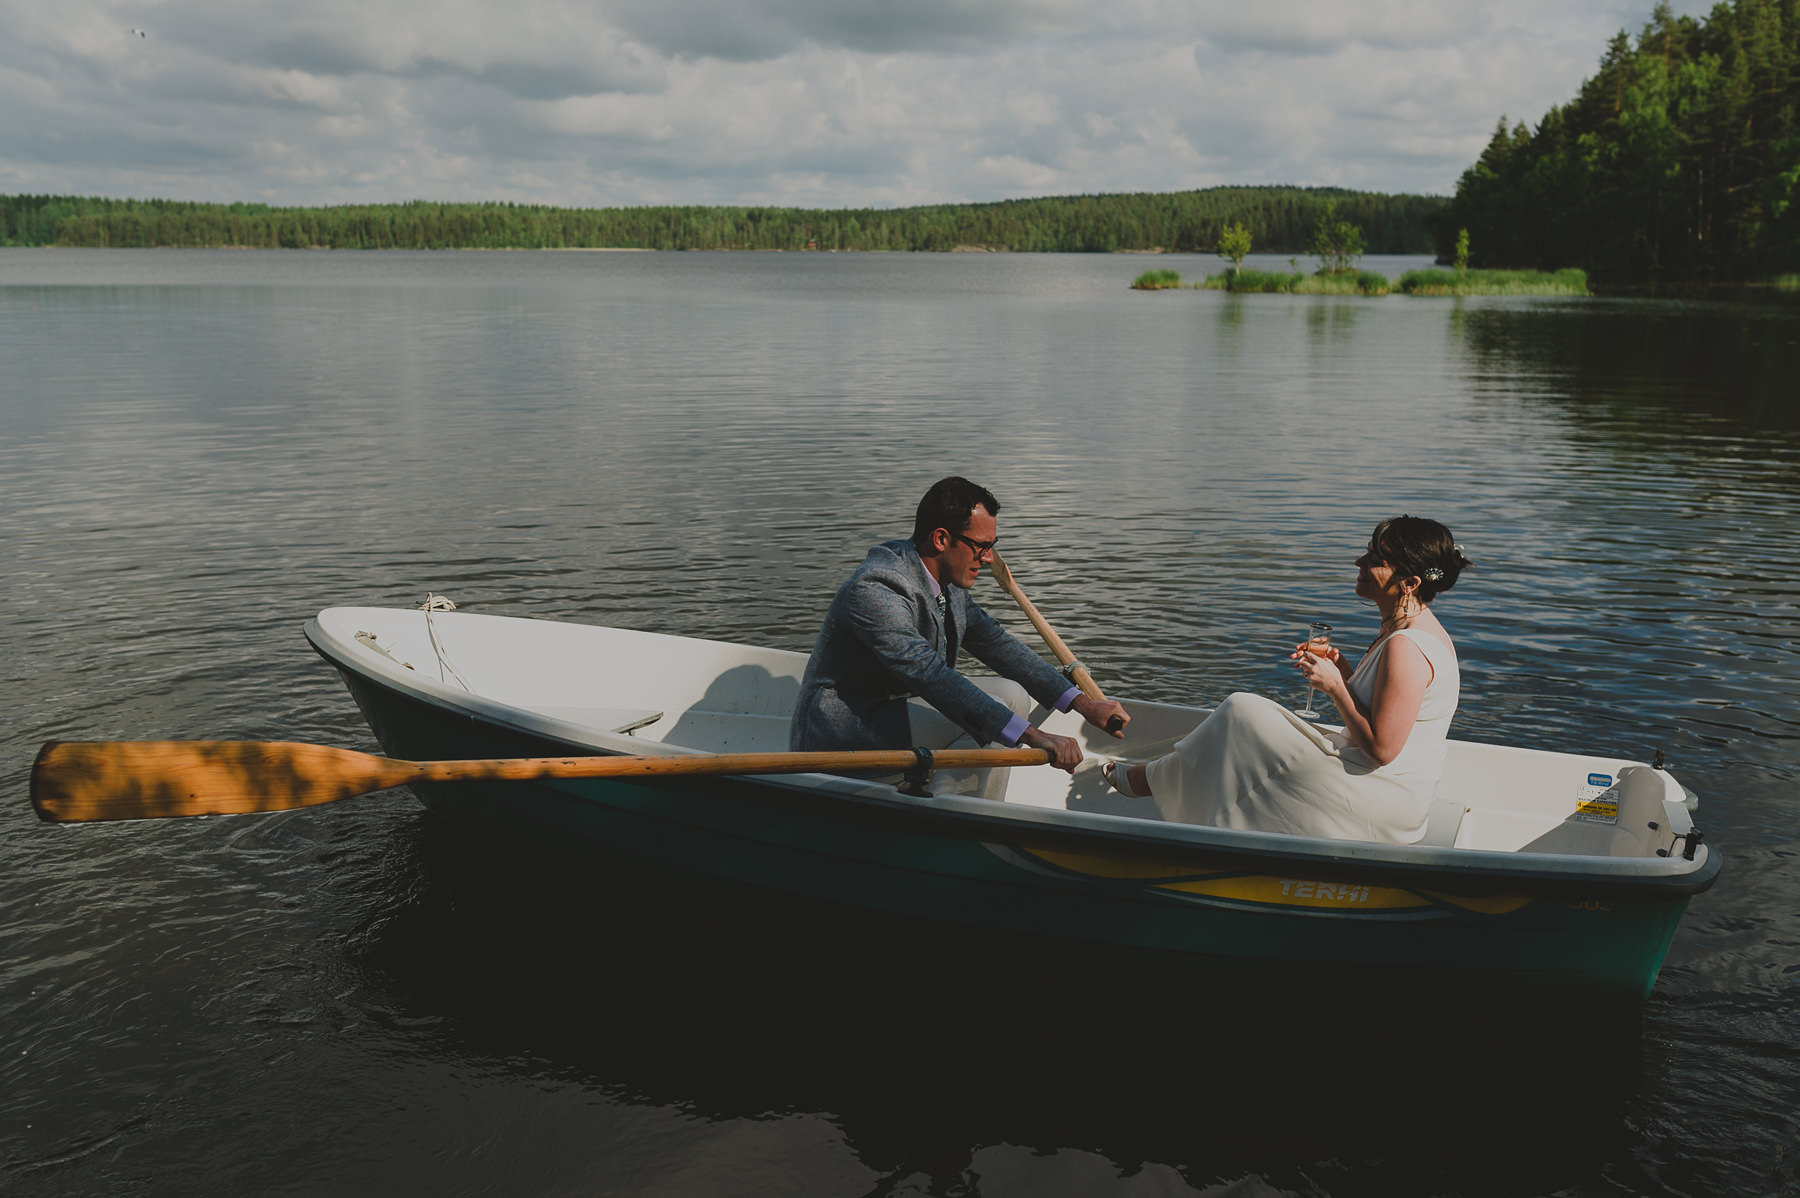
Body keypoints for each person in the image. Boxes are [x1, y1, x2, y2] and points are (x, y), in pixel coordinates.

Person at [1104, 516, 1472, 844]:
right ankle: (1161, 782)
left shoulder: (1406, 646)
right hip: (1385, 788)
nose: (1359, 562)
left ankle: (1150, 782)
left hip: (1382, 799)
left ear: (1409, 582)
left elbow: (1383, 750)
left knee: (1243, 712)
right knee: (1245, 721)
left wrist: (1334, 686)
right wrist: (1340, 664)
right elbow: (1380, 709)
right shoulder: (1409, 629)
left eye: (1375, 559)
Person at [790, 476, 1129, 773]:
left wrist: (1084, 705)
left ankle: (955, 795)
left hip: (896, 711)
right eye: (981, 547)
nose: (987, 559)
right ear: (940, 539)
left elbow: (996, 643)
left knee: (1011, 696)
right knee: (999, 719)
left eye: (992, 548)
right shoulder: (877, 590)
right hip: (844, 734)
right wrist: (1033, 736)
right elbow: (930, 675)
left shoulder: (946, 583)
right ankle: (959, 808)